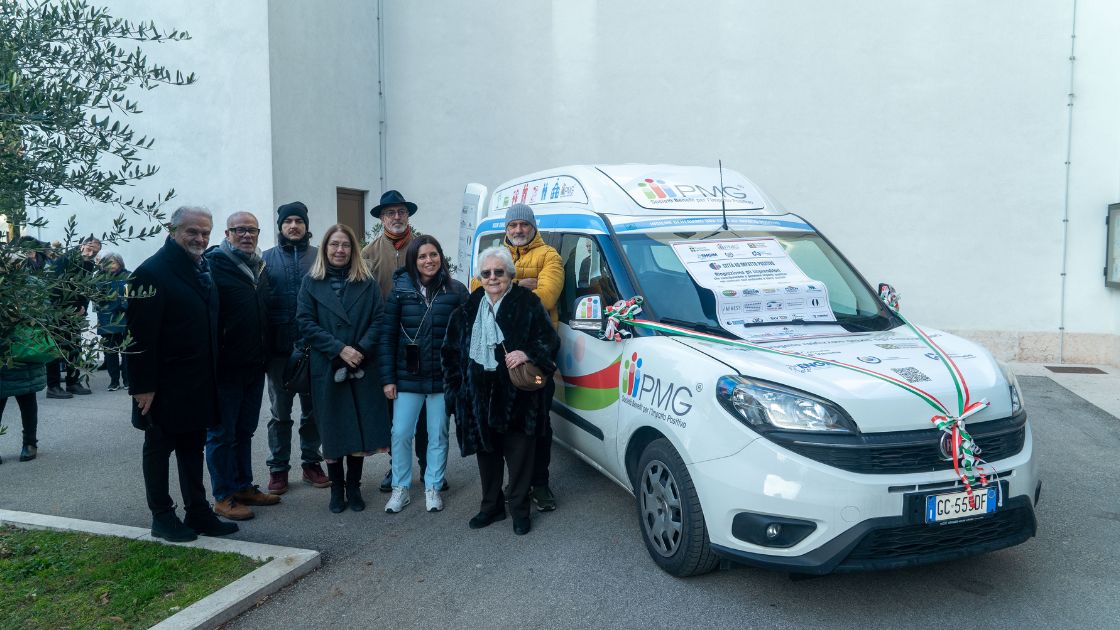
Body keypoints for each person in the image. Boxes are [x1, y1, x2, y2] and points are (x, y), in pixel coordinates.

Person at [127, 206, 238, 542]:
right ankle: (162, 516)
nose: (200, 238)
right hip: (162, 384)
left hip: (198, 380)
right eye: (192, 231)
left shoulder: (201, 268)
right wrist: (143, 387)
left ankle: (198, 511)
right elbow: (138, 337)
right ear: (173, 230)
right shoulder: (150, 272)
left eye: (205, 232)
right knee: (159, 448)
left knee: (192, 447)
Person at [443, 246, 560, 535]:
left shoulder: (528, 303)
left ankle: (520, 510)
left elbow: (549, 340)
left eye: (499, 272)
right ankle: (491, 507)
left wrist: (527, 353)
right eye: (486, 273)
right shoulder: (467, 310)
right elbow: (449, 354)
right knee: (487, 454)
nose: (493, 278)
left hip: (518, 398)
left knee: (520, 458)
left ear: (510, 274)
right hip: (478, 398)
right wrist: (456, 393)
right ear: (479, 278)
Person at [469, 203, 564, 511]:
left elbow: (546, 296)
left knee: (539, 424)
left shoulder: (549, 256)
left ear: (533, 227)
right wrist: (521, 283)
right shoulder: (494, 255)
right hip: (498, 360)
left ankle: (540, 484)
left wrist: (504, 285)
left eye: (524, 224)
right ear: (506, 229)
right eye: (513, 225)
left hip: (534, 359)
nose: (518, 230)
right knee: (506, 429)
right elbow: (476, 289)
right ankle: (514, 487)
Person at [297, 223, 391, 513]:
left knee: (358, 428)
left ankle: (354, 486)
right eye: (334, 244)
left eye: (346, 245)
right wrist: (339, 349)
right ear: (325, 248)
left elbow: (379, 319)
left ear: (353, 250)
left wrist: (359, 349)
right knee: (333, 429)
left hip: (361, 365)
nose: (340, 250)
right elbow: (304, 322)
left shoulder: (367, 283)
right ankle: (337, 489)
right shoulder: (311, 282)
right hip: (328, 366)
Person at [378, 235, 468, 513]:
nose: (429, 260)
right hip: (408, 377)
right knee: (400, 433)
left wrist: (460, 375)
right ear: (413, 261)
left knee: (438, 435)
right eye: (422, 256)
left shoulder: (456, 291)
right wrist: (388, 379)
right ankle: (401, 488)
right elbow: (387, 337)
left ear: (441, 256)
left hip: (442, 378)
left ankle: (433, 486)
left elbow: (467, 336)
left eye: (433, 254)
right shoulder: (400, 291)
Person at [202, 212, 280, 521]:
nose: (247, 235)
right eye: (240, 230)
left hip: (254, 364)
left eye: (252, 230)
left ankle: (243, 486)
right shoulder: (214, 265)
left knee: (245, 430)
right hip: (226, 367)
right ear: (227, 233)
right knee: (222, 434)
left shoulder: (258, 265)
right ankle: (223, 496)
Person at [360, 189, 434, 494]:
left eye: (401, 211)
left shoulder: (423, 248)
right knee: (394, 412)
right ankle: (397, 467)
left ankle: (429, 466)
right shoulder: (367, 254)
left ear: (408, 215)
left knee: (426, 411)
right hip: (388, 342)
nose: (396, 217)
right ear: (381, 218)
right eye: (390, 212)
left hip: (424, 339)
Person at [262, 202, 329, 494]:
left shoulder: (320, 257)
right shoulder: (265, 259)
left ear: (306, 225)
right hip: (278, 352)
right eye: (287, 221)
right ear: (280, 226)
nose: (293, 226)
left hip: (314, 349)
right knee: (280, 414)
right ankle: (278, 468)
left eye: (298, 221)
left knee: (313, 412)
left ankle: (311, 463)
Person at [0, 238, 50, 463]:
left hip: (24, 349)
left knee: (27, 399)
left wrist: (21, 317)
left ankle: (30, 443)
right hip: (3, 352)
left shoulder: (32, 284)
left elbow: (44, 314)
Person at [45, 235, 101, 399]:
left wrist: (83, 307)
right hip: (58, 311)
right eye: (89, 249)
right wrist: (68, 308)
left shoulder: (89, 264)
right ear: (82, 245)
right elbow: (56, 286)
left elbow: (86, 288)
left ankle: (73, 382)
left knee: (75, 347)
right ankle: (53, 386)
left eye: (94, 252)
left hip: (75, 313)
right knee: (56, 348)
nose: (90, 253)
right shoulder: (65, 259)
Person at [95, 252, 130, 391]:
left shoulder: (128, 276)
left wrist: (123, 306)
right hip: (107, 319)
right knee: (110, 352)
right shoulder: (99, 277)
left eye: (114, 262)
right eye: (108, 263)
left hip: (124, 318)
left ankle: (127, 380)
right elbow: (97, 298)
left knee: (126, 351)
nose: (111, 266)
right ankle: (114, 381)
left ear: (120, 263)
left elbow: (131, 297)